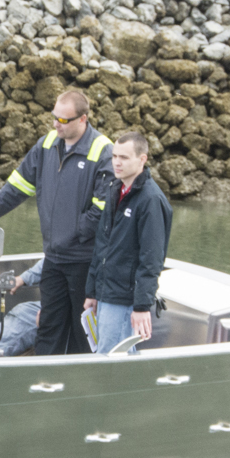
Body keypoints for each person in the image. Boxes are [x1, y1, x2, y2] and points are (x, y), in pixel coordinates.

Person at [0, 89, 112, 355]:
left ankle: (80, 385)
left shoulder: (102, 151)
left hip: (84, 262)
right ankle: (43, 380)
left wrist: (73, 235)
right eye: (54, 117)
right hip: (54, 259)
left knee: (80, 329)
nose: (55, 124)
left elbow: (103, 210)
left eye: (63, 120)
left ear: (83, 119)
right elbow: (17, 186)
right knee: (49, 326)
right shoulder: (47, 145)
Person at [85, 131, 172, 356]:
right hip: (106, 294)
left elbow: (151, 260)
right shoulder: (115, 189)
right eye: (114, 156)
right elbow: (102, 246)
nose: (116, 162)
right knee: (110, 356)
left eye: (124, 157)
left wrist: (142, 307)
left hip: (124, 300)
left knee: (112, 359)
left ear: (142, 159)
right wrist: (92, 291)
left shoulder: (151, 200)